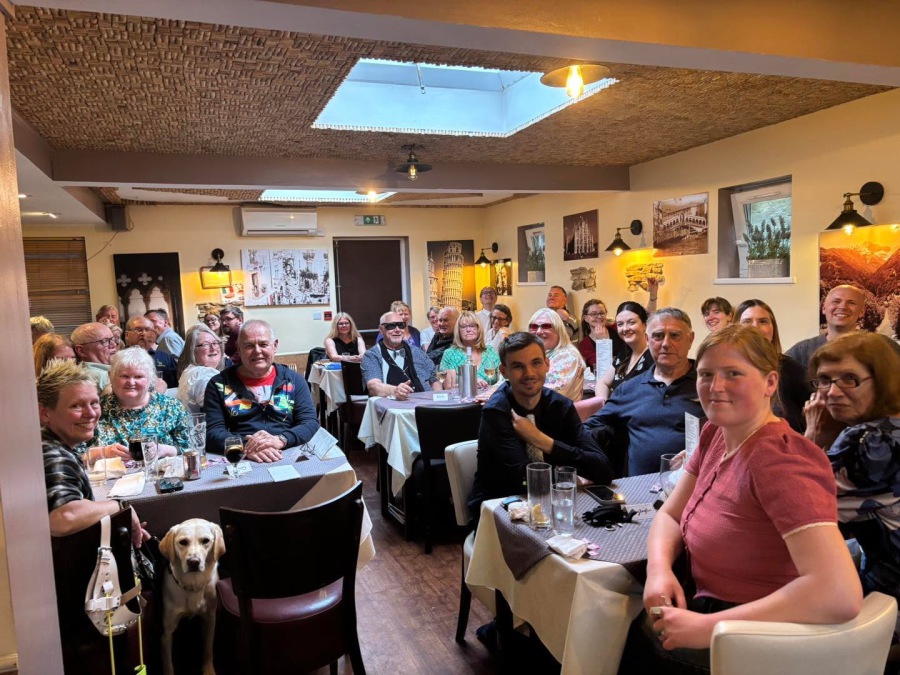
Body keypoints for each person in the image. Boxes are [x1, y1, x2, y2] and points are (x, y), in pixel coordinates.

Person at [624, 325, 861, 672]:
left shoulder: (781, 461)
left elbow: (838, 594)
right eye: (706, 374)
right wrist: (659, 571)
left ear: (770, 383)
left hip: (757, 635)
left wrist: (708, 628)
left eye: (733, 373)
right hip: (707, 604)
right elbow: (670, 515)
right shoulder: (716, 433)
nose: (715, 387)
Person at [468, 332, 613, 513]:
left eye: (536, 363)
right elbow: (524, 481)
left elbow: (604, 471)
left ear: (547, 364)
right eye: (518, 366)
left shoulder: (560, 406)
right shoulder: (496, 411)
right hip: (498, 507)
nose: (529, 373)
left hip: (554, 502)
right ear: (504, 371)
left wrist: (540, 439)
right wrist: (571, 477)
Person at [808, 333, 900, 609]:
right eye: (824, 380)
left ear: (882, 381)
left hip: (888, 599)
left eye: (850, 379)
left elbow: (798, 506)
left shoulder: (868, 440)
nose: (832, 392)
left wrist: (813, 435)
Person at [37, 360, 148, 547]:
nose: (91, 413)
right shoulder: (53, 453)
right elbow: (63, 517)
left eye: (94, 403)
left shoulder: (47, 443)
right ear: (45, 413)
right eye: (76, 406)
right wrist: (118, 506)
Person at [584, 308, 703, 476]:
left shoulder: (710, 385)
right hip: (638, 487)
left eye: (675, 335)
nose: (666, 344)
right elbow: (587, 429)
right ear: (647, 339)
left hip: (696, 485)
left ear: (690, 339)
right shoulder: (630, 389)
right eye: (658, 336)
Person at [205, 320, 319, 462]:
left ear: (275, 346)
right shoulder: (218, 384)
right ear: (238, 349)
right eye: (249, 346)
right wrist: (245, 447)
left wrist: (281, 440)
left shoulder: (294, 380)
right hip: (243, 458)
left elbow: (309, 422)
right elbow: (212, 432)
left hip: (287, 452)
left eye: (263, 344)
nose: (257, 351)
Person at [93, 347, 189, 457]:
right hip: (109, 468)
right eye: (124, 376)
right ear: (111, 377)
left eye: (138, 377)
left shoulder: (172, 407)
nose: (131, 382)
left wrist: (163, 450)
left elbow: (189, 449)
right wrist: (103, 452)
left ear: (151, 379)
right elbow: (78, 454)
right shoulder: (95, 410)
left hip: (160, 468)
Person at [735, 299, 810, 433]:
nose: (755, 327)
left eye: (763, 321)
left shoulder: (790, 368)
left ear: (773, 330)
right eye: (747, 322)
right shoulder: (724, 369)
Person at [786, 284, 900, 371]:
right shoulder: (800, 353)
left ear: (861, 312)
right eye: (836, 301)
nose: (843, 306)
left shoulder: (885, 347)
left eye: (851, 303)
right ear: (824, 308)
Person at [362, 311, 439, 400]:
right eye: (391, 326)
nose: (397, 329)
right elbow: (373, 386)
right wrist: (394, 391)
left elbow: (434, 379)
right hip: (393, 405)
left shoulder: (416, 352)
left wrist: (438, 400)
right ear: (381, 329)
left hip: (426, 403)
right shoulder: (372, 355)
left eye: (401, 325)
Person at [594, 301, 654, 406]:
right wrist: (603, 404)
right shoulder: (625, 353)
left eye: (631, 322)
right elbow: (603, 382)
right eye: (620, 324)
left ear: (645, 325)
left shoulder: (653, 356)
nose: (625, 328)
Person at [527, 308, 585, 401]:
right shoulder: (535, 355)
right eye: (534, 326)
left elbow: (546, 397)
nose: (538, 331)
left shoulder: (567, 356)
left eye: (546, 326)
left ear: (559, 331)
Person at [439, 310, 501, 390]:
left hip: (490, 396)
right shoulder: (450, 354)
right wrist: (472, 382)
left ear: (478, 328)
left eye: (472, 326)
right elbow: (448, 387)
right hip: (461, 397)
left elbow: (502, 379)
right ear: (458, 331)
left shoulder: (490, 351)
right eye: (463, 327)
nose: (468, 329)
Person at [176, 324, 227, 414]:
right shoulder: (204, 374)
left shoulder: (191, 371)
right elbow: (227, 410)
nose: (213, 348)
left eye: (215, 343)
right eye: (205, 344)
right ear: (192, 351)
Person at [124, 315, 177, 390]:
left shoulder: (165, 357)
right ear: (127, 335)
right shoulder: (119, 359)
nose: (143, 333)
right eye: (138, 329)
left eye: (148, 330)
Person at [577, 298, 623, 374]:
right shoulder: (584, 345)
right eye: (594, 314)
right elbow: (604, 368)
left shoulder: (617, 328)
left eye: (602, 313)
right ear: (586, 318)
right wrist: (603, 342)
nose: (599, 316)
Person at [70, 321, 119, 391]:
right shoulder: (97, 377)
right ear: (81, 351)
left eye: (113, 339)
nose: (114, 344)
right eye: (104, 341)